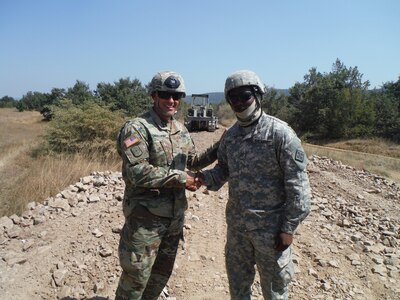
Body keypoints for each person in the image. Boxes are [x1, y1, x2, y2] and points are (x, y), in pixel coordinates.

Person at [197, 70, 311, 300]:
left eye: (245, 96)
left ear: (258, 95)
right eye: (233, 99)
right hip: (238, 230)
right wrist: (200, 179)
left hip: (271, 233)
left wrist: (288, 228)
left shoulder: (280, 134)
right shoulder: (231, 136)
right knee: (238, 289)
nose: (239, 103)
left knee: (274, 291)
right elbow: (223, 171)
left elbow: (298, 187)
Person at [115, 71, 219, 300]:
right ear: (154, 95)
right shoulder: (137, 128)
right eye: (165, 94)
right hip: (145, 221)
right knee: (136, 280)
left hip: (174, 219)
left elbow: (193, 160)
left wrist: (221, 146)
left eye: (176, 95)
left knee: (160, 275)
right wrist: (182, 178)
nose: (171, 100)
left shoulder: (180, 129)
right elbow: (137, 173)